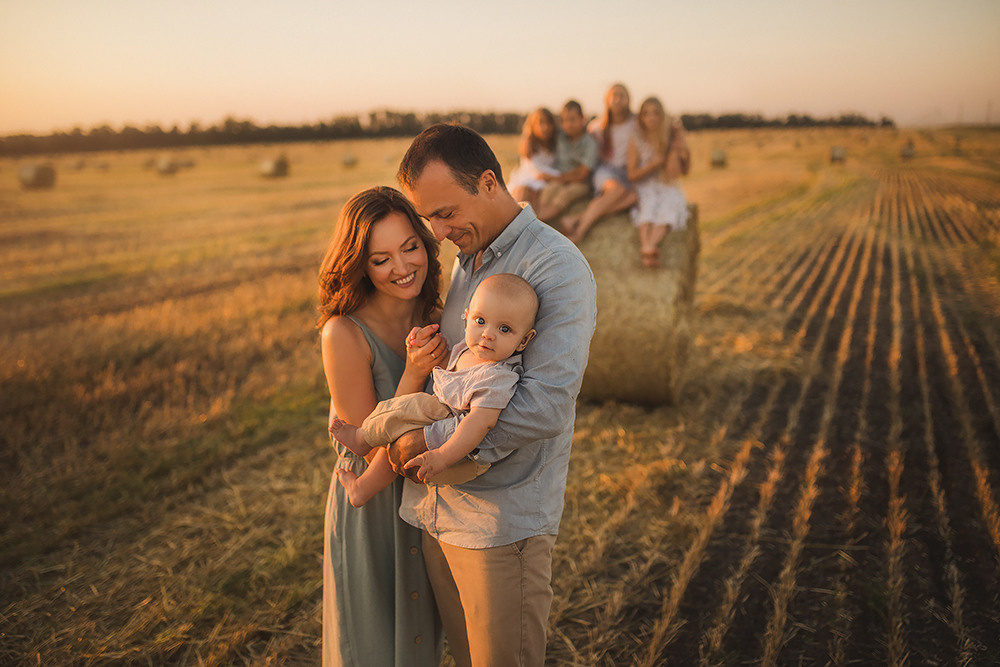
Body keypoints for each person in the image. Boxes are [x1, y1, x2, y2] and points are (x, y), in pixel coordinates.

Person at [392, 123, 597, 666]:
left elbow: (545, 405)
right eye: (428, 218)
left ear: (488, 182)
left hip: (500, 523)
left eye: (445, 213)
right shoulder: (469, 259)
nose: (437, 232)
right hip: (439, 508)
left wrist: (426, 440)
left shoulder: (557, 267)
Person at [317, 186, 445, 666]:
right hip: (371, 507)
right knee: (372, 647)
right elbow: (374, 453)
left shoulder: (435, 315)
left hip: (428, 496)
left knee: (419, 646)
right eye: (381, 259)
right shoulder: (344, 333)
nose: (403, 267)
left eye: (410, 247)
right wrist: (413, 374)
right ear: (360, 265)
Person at [329, 273, 538, 504]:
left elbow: (480, 422)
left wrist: (442, 457)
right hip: (440, 417)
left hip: (456, 437)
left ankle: (362, 439)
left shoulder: (498, 376)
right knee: (397, 411)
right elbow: (449, 374)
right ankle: (362, 485)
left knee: (408, 407)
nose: (488, 334)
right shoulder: (468, 351)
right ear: (467, 317)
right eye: (480, 321)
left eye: (505, 329)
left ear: (524, 341)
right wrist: (423, 346)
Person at [561, 83, 639, 243]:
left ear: (628, 100)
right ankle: (580, 231)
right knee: (616, 190)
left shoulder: (636, 124)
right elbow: (580, 142)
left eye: (622, 96)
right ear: (607, 101)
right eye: (614, 96)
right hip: (605, 171)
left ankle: (576, 218)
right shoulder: (597, 126)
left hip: (627, 172)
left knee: (633, 198)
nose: (617, 100)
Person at [626, 96, 691, 268]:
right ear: (641, 117)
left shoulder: (670, 138)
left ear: (662, 115)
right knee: (648, 206)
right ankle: (648, 246)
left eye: (655, 113)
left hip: (667, 184)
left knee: (668, 205)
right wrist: (653, 165)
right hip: (645, 184)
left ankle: (648, 246)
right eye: (646, 114)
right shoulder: (637, 139)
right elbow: (631, 174)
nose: (651, 117)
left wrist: (679, 147)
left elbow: (681, 172)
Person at [535, 100, 600, 224]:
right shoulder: (560, 135)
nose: (568, 124)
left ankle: (538, 222)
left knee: (564, 194)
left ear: (582, 119)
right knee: (548, 191)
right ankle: (539, 220)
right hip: (559, 177)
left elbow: (582, 174)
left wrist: (556, 178)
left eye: (572, 120)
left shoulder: (590, 143)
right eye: (565, 120)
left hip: (580, 182)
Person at [506, 107, 559, 210]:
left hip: (544, 178)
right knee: (524, 191)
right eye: (541, 123)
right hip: (529, 176)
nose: (545, 127)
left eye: (549, 123)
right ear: (532, 126)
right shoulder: (530, 144)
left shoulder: (555, 144)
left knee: (536, 197)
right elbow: (535, 168)